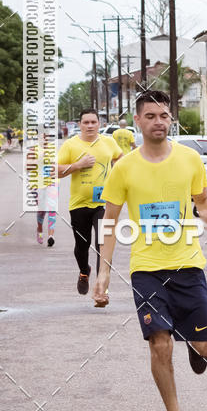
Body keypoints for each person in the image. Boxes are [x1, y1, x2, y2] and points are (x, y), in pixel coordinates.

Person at [93, 90, 207, 411]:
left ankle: (197, 349)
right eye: (150, 116)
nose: (158, 122)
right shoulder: (124, 168)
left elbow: (203, 201)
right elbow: (111, 222)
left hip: (188, 265)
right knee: (160, 344)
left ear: (171, 118)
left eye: (164, 115)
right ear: (137, 121)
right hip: (146, 269)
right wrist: (104, 272)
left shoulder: (190, 159)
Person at [57, 109, 122, 294]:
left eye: (93, 122)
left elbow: (120, 158)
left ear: (99, 124)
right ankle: (84, 271)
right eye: (86, 122)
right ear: (80, 125)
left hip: (104, 203)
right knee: (81, 246)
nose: (90, 126)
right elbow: (55, 171)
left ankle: (102, 285)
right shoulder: (71, 145)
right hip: (79, 204)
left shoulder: (109, 142)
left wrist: (116, 176)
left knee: (103, 242)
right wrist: (78, 165)